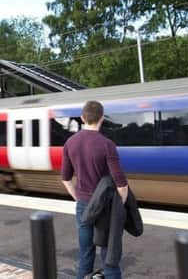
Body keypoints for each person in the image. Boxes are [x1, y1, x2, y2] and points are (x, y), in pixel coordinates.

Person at [61, 100, 129, 279]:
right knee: (110, 257)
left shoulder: (70, 143)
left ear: (83, 118)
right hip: (107, 207)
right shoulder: (107, 144)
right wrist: (119, 204)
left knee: (85, 254)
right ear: (101, 118)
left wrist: (79, 198)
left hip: (84, 206)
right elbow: (121, 183)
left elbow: (66, 179)